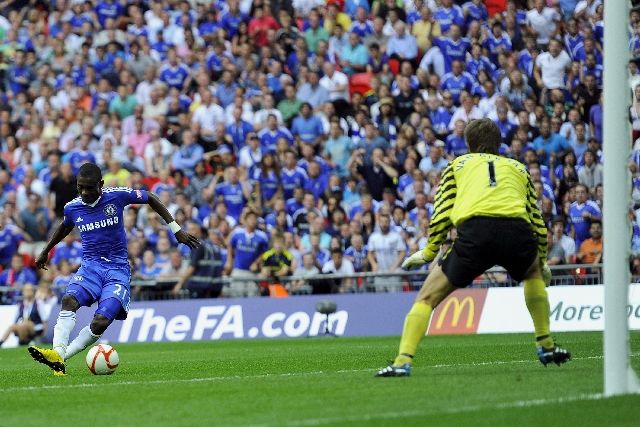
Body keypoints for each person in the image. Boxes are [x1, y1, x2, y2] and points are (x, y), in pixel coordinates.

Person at [376, 119, 570, 377]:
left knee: (426, 297)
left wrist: (429, 252)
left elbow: (442, 211)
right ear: (498, 144)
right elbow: (536, 218)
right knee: (532, 276)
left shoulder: (457, 165)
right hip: (516, 231)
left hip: (476, 232)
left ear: (470, 145)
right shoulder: (518, 167)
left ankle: (402, 362)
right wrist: (541, 260)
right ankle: (545, 344)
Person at [28, 163, 200, 376]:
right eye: (80, 187)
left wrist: (176, 229)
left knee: (101, 322)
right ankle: (57, 354)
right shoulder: (72, 207)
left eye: (89, 188)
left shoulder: (117, 196)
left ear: (101, 184)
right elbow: (65, 225)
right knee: (69, 301)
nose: (84, 192)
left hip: (117, 270)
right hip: (90, 267)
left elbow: (151, 197)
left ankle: (61, 358)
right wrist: (46, 250)